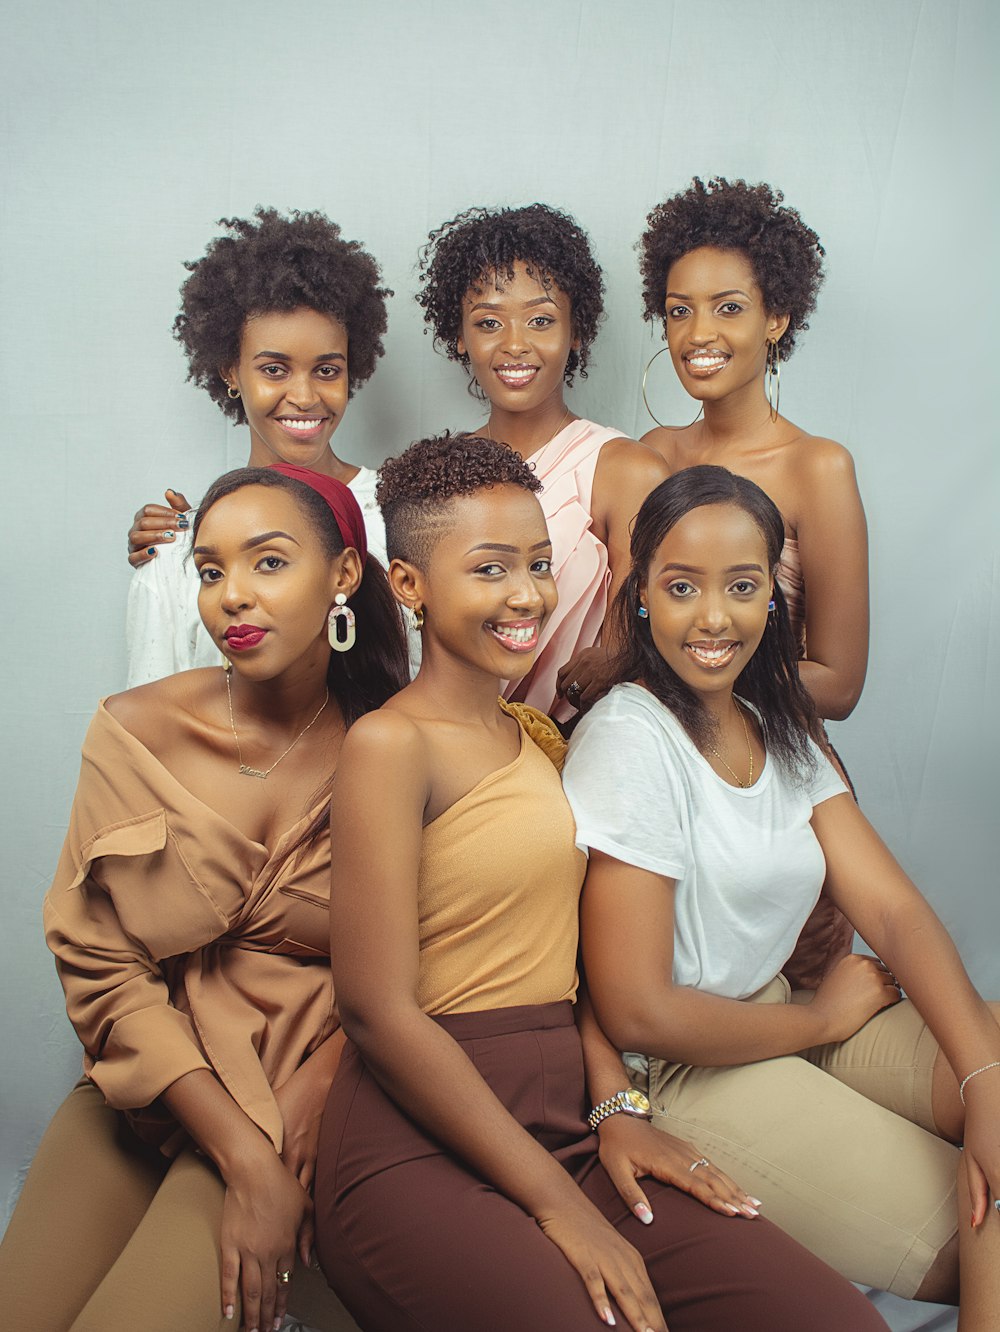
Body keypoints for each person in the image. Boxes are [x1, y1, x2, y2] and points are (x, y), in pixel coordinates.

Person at [311, 431, 888, 1332]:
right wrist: (559, 1204)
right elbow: (377, 1011)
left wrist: (616, 1107)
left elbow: (576, 965)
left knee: (837, 1320)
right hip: (415, 1141)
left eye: (541, 563)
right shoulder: (390, 744)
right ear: (409, 586)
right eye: (491, 568)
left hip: (569, 1113)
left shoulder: (539, 740)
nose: (527, 594)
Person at [563, 465, 1000, 1320]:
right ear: (642, 595)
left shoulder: (777, 724)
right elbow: (638, 1011)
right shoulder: (629, 741)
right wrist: (820, 1021)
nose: (715, 617)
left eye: (742, 586)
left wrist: (983, 1081)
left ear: (773, 598)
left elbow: (895, 911)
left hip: (779, 1010)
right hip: (691, 1068)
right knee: (978, 1233)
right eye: (682, 587)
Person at [0, 466, 408, 1332]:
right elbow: (100, 963)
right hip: (152, 1080)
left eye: (267, 563)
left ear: (343, 576)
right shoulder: (135, 728)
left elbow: (423, 962)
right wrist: (241, 1156)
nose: (232, 597)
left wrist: (310, 1102)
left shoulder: (392, 748)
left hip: (291, 1089)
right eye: (212, 570)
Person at [637, 177, 866, 983]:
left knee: (802, 1012)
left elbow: (837, 682)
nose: (699, 332)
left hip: (770, 783)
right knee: (662, 1001)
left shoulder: (816, 467)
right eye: (678, 309)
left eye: (729, 307)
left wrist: (686, 671)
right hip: (658, 779)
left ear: (778, 317)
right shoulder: (650, 456)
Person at [123, 207, 407, 686]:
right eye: (274, 369)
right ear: (231, 371)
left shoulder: (400, 517)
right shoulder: (178, 556)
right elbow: (149, 725)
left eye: (327, 369)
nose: (304, 396)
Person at [417, 204, 668, 720]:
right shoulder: (440, 471)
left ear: (575, 332)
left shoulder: (625, 470)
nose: (514, 344)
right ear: (459, 337)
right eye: (488, 322)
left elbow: (639, 642)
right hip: (453, 739)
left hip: (585, 746)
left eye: (540, 320)